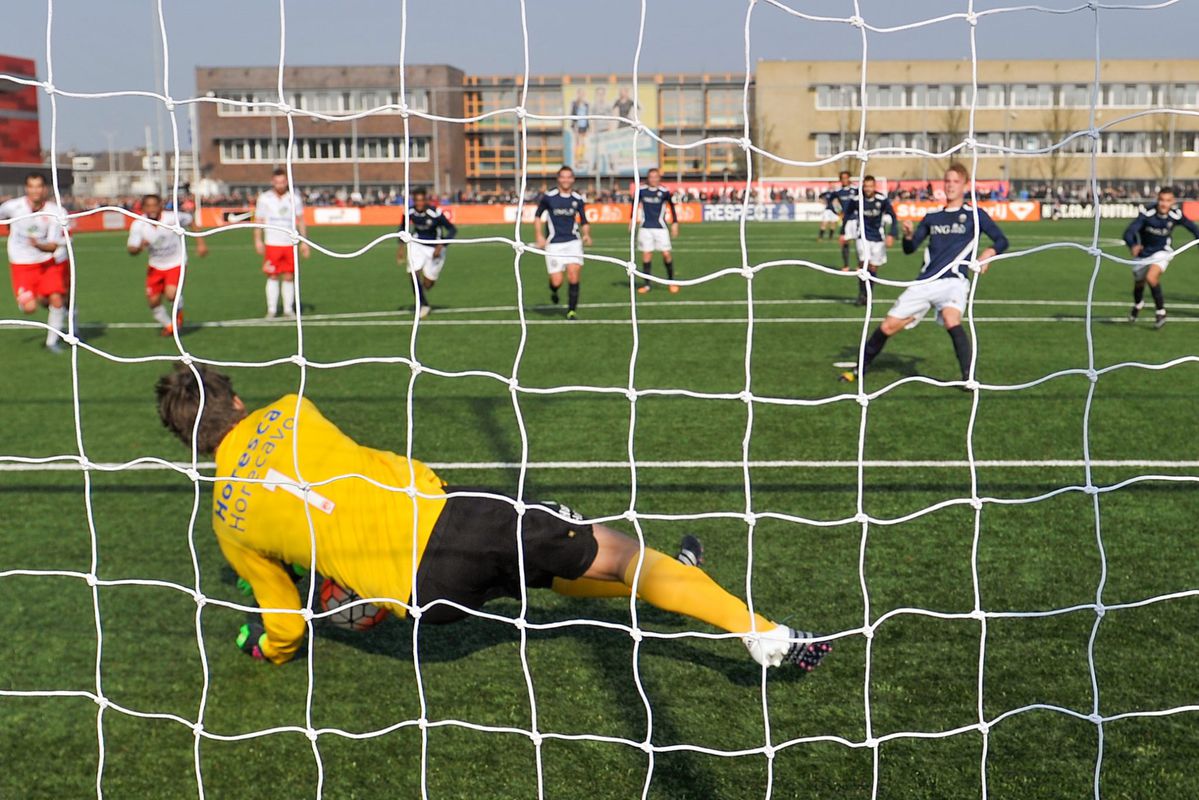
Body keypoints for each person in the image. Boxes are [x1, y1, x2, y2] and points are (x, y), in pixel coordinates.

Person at [153, 365, 832, 673]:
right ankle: (766, 635)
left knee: (544, 578)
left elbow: (282, 626)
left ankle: (669, 581)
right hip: (456, 517)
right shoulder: (290, 408)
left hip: (424, 601)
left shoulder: (225, 522)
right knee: (618, 552)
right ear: (237, 399)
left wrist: (263, 647)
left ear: (190, 441)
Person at [839, 163, 1009, 388]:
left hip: (954, 281)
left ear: (965, 185)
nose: (950, 186)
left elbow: (1002, 240)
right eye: (947, 181)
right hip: (925, 281)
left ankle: (968, 378)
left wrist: (988, 253)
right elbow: (910, 249)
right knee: (889, 326)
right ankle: (859, 369)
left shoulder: (974, 215)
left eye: (955, 182)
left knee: (951, 319)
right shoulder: (932, 216)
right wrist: (908, 236)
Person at [0, 172, 70, 352]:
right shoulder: (13, 207)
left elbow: (53, 246)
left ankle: (52, 343)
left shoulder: (56, 212)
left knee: (57, 299)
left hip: (47, 262)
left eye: (39, 186)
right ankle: (35, 297)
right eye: (31, 186)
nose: (35, 191)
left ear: (45, 188)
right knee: (29, 308)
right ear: (26, 189)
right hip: (21, 264)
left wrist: (38, 245)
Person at [126, 193, 208, 336]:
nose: (152, 208)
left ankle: (178, 318)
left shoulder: (172, 218)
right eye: (148, 205)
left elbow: (190, 220)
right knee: (153, 302)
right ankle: (169, 326)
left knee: (171, 295)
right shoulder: (138, 224)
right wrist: (139, 247)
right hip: (155, 266)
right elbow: (131, 249)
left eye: (155, 205)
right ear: (143, 207)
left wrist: (200, 243)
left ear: (161, 206)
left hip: (176, 262)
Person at [1121, 187, 1199, 329]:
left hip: (1163, 252)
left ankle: (1160, 312)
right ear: (1157, 200)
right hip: (1144, 254)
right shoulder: (1147, 214)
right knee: (1139, 283)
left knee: (1151, 278)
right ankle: (1138, 305)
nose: (1164, 204)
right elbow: (1128, 233)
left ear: (1173, 201)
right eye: (1162, 200)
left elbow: (1194, 229)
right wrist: (1133, 245)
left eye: (1168, 201)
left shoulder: (1176, 215)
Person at [533, 166, 591, 320]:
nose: (566, 180)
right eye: (563, 177)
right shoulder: (549, 197)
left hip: (573, 242)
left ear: (573, 179)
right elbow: (537, 216)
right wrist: (539, 236)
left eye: (569, 177)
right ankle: (554, 289)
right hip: (554, 244)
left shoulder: (578, 199)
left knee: (573, 275)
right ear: (558, 179)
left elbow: (584, 220)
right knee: (557, 280)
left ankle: (571, 311)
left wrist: (586, 234)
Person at [253, 168, 310, 319]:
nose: (280, 185)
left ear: (287, 182)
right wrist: (258, 240)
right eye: (277, 182)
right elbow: (258, 220)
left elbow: (301, 220)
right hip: (272, 243)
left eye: (283, 182)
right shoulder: (264, 198)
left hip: (290, 243)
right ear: (272, 182)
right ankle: (271, 310)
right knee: (272, 276)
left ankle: (288, 309)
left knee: (289, 276)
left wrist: (304, 242)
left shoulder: (294, 198)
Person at [396, 188, 458, 319]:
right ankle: (423, 305)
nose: (419, 203)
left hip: (435, 248)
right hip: (417, 244)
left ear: (426, 200)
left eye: (422, 200)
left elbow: (452, 229)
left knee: (428, 284)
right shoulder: (409, 212)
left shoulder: (435, 213)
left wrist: (441, 245)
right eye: (417, 200)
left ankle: (422, 293)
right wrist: (400, 247)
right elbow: (402, 228)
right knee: (413, 274)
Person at [839, 175, 897, 306]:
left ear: (874, 186)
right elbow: (847, 215)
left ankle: (869, 293)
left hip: (878, 238)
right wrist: (842, 232)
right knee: (862, 265)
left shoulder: (882, 199)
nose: (868, 189)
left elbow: (893, 216)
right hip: (862, 237)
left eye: (870, 186)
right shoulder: (857, 199)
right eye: (865, 186)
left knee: (873, 268)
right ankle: (862, 295)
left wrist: (892, 234)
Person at [632, 168, 680, 294]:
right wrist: (631, 221)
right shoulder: (641, 191)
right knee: (647, 255)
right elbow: (634, 205)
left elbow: (672, 208)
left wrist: (675, 223)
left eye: (656, 176)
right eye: (651, 177)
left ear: (659, 178)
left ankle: (671, 281)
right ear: (648, 178)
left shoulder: (664, 192)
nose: (653, 179)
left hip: (660, 228)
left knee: (666, 255)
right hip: (645, 227)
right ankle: (647, 285)